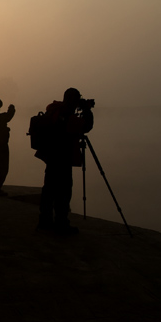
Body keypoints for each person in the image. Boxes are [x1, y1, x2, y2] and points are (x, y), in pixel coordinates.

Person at [36, 88, 94, 235]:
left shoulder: (55, 110)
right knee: (63, 191)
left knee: (49, 189)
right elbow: (86, 126)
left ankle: (45, 220)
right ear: (73, 100)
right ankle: (61, 224)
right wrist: (87, 110)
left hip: (51, 157)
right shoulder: (67, 115)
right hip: (62, 159)